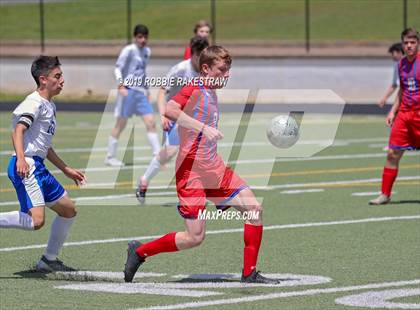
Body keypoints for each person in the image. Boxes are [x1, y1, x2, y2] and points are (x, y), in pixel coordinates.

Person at [124, 46, 279, 284]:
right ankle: (139, 252)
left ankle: (249, 273)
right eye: (223, 70)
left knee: (254, 210)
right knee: (194, 237)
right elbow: (170, 109)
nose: (227, 75)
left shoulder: (210, 91)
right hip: (191, 173)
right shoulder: (195, 87)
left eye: (228, 70)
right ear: (206, 69)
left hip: (214, 169)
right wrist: (203, 127)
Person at [0, 56, 86, 272]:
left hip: (37, 165)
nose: (62, 80)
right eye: (57, 76)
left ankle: (48, 260)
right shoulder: (34, 103)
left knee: (68, 210)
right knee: (36, 221)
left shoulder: (50, 105)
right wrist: (20, 158)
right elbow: (18, 130)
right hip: (27, 165)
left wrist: (66, 169)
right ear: (43, 79)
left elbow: (44, 147)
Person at [136, 36, 209, 204]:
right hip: (175, 115)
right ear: (192, 54)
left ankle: (206, 192)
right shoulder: (180, 69)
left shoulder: (206, 69)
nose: (202, 60)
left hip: (193, 117)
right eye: (199, 56)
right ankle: (144, 181)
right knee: (169, 152)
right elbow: (162, 91)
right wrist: (163, 114)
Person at [369, 28, 420, 205]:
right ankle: (385, 194)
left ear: (418, 44)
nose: (409, 46)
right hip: (404, 115)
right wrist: (392, 111)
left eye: (412, 42)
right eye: (406, 43)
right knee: (392, 153)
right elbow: (402, 90)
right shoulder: (400, 65)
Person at [105, 24, 160, 167]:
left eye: (145, 37)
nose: (143, 40)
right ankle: (110, 157)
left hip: (140, 92)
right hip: (128, 91)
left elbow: (143, 72)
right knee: (121, 124)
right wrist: (120, 85)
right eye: (140, 37)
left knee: (151, 122)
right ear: (135, 37)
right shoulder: (129, 50)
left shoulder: (147, 51)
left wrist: (147, 90)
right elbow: (118, 68)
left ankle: (157, 156)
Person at [378, 43, 404, 108]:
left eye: (393, 53)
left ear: (400, 52)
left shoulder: (411, 63)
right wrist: (384, 98)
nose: (392, 56)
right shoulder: (397, 65)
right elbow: (395, 85)